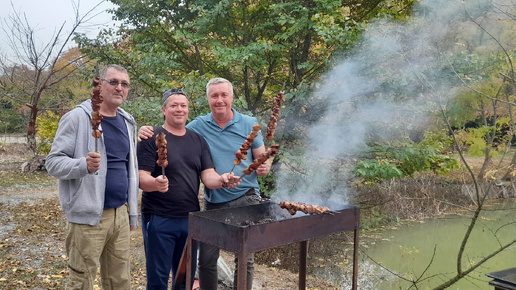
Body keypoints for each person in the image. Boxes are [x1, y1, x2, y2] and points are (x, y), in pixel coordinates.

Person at [138, 77, 271, 290]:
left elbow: (259, 159)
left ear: (232, 97)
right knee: (189, 267)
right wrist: (145, 132)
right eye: (214, 95)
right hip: (196, 206)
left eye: (224, 94)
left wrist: (258, 167)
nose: (219, 100)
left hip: (237, 199)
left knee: (237, 260)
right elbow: (170, 133)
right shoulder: (193, 128)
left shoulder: (243, 125)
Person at [46, 64, 139, 289]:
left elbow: (131, 169)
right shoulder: (77, 117)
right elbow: (53, 163)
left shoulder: (128, 122)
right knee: (82, 281)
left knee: (120, 280)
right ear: (100, 85)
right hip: (87, 218)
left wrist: (132, 213)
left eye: (124, 84)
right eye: (114, 82)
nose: (119, 88)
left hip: (120, 214)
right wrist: (82, 165)